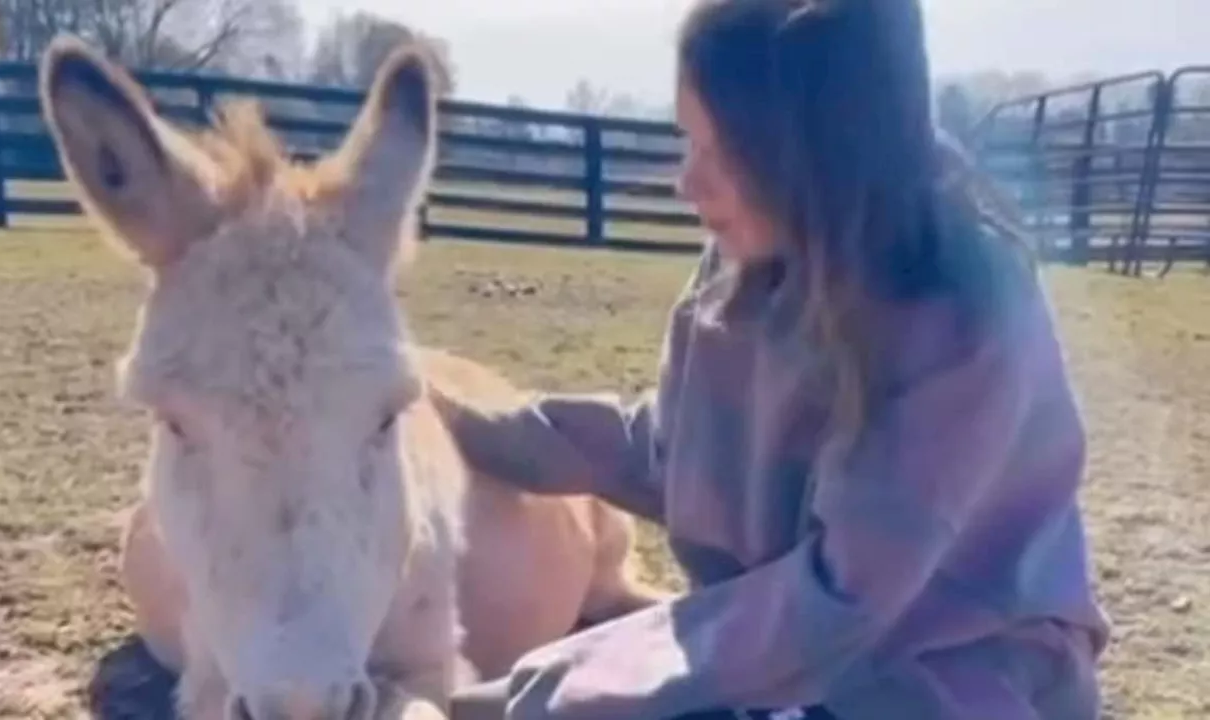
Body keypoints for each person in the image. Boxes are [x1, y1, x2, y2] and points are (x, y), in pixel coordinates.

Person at [432, 0, 1110, 718]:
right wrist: (462, 420)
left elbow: (839, 599)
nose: (686, 183)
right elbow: (673, 451)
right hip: (797, 655)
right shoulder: (754, 261)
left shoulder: (958, 314)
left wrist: (567, 683)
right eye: (688, 143)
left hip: (943, 678)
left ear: (816, 152)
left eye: (721, 153)